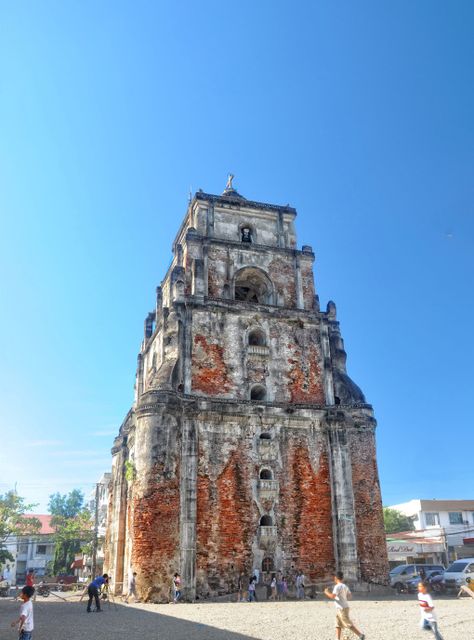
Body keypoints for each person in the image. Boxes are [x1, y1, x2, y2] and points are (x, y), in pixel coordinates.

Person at [324, 571, 365, 640]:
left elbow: (333, 596)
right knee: (337, 624)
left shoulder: (337, 587)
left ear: (335, 578)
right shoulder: (345, 586)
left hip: (341, 609)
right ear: (342, 578)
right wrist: (342, 597)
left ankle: (360, 635)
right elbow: (349, 596)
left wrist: (326, 592)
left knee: (348, 623)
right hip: (343, 607)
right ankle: (338, 639)